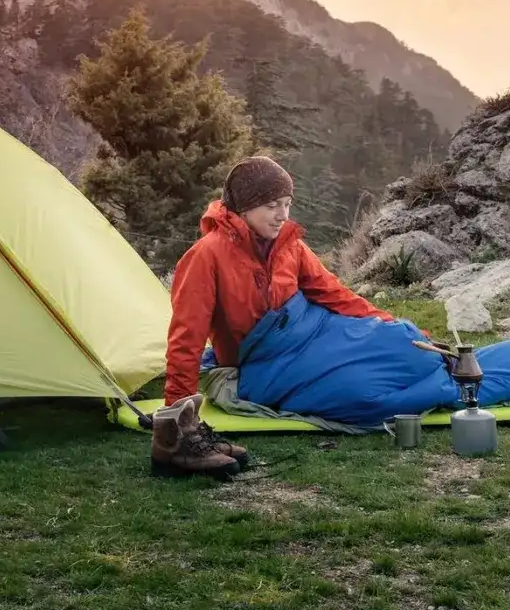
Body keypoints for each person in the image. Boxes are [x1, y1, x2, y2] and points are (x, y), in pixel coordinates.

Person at [150, 155, 396, 478]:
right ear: (244, 207)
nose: (283, 216)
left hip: (306, 342)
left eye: (287, 204)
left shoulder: (288, 246)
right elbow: (186, 337)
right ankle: (178, 446)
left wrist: (387, 323)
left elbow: (335, 295)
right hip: (262, 366)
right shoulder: (206, 257)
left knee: (391, 343)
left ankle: (434, 358)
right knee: (363, 389)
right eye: (272, 206)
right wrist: (177, 415)